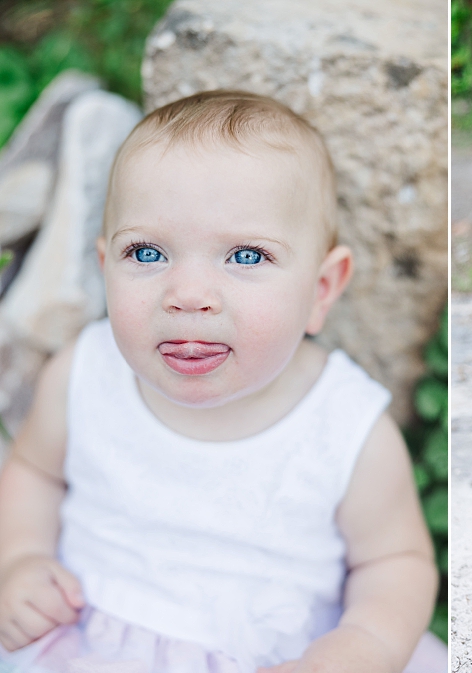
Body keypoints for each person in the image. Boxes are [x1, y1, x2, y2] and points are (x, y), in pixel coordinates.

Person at [0, 91, 445, 673]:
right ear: (105, 267)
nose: (187, 295)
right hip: (82, 642)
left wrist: (364, 646)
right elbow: (34, 472)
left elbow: (397, 560)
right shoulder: (84, 375)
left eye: (246, 257)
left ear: (321, 290)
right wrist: (21, 558)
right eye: (149, 251)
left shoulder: (345, 426)